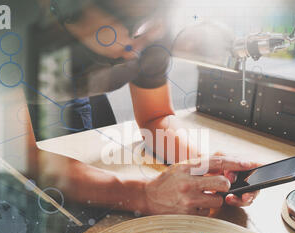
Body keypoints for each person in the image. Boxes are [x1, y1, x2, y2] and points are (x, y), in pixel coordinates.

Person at [28, 0, 260, 216]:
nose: (156, 34)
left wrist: (202, 167)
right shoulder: (8, 31)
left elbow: (155, 117)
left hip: (75, 98)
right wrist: (142, 194)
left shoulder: (153, 32)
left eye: (161, 17)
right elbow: (22, 157)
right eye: (137, 24)